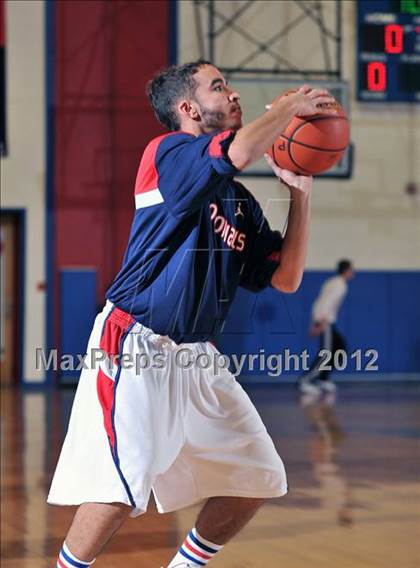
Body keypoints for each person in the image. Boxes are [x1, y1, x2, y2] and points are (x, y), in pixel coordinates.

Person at [48, 59, 336, 568]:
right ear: (187, 108)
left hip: (198, 357)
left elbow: (285, 278)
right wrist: (291, 105)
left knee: (257, 475)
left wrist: (299, 192)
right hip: (135, 342)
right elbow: (239, 150)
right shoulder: (168, 154)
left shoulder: (239, 202)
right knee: (120, 489)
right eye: (218, 86)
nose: (232, 94)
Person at [299, 259, 355, 395]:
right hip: (325, 321)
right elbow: (326, 303)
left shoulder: (333, 282)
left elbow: (319, 302)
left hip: (325, 319)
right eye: (351, 270)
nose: (353, 273)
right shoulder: (340, 285)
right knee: (326, 353)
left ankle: (323, 378)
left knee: (339, 347)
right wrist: (320, 323)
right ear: (346, 270)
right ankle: (306, 380)